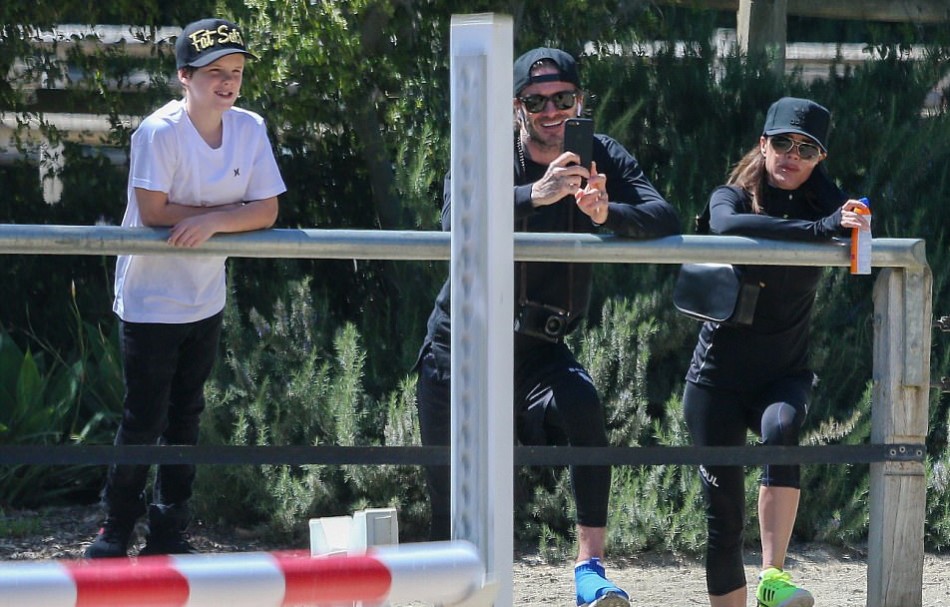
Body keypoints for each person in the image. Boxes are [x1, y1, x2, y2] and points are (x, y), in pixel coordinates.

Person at [414, 47, 680, 606]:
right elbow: (452, 218)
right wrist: (535, 195)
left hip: (538, 347)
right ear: (517, 107)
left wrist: (607, 214)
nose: (552, 111)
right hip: (462, 346)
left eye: (563, 98)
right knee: (452, 506)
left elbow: (664, 215)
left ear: (580, 102)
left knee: (583, 407)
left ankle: (590, 569)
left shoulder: (600, 154)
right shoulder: (487, 151)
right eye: (537, 102)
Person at [84, 17, 286, 558]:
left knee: (186, 418)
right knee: (142, 420)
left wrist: (213, 221)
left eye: (236, 71)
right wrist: (229, 212)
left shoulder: (250, 128)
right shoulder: (159, 131)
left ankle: (169, 531)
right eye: (215, 71)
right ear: (184, 77)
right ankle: (115, 527)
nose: (228, 81)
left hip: (205, 296)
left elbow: (267, 209)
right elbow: (154, 210)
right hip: (150, 299)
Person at [681, 97, 870, 607]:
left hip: (783, 373)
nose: (792, 156)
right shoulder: (733, 195)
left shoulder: (821, 200)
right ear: (763, 144)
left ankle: (773, 576)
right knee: (723, 522)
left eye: (807, 149)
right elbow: (725, 226)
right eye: (783, 143)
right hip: (715, 379)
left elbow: (855, 219)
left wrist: (836, 210)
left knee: (782, 430)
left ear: (820, 158)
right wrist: (817, 231)